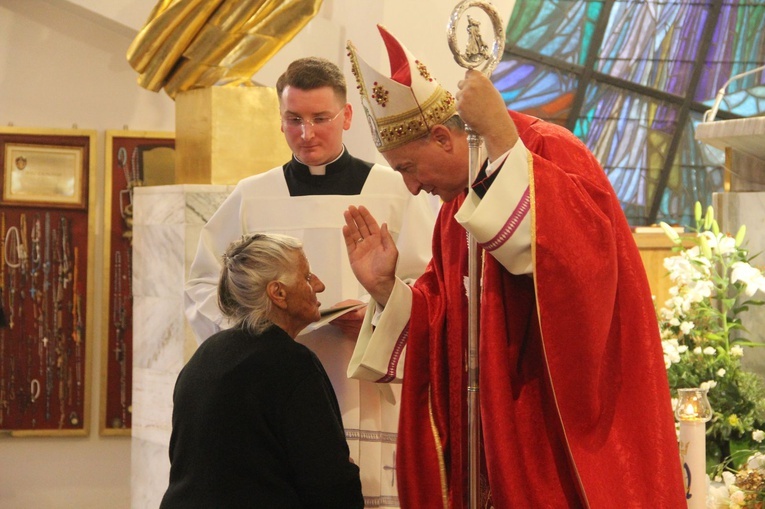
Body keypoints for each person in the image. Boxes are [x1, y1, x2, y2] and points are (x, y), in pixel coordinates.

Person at [342, 25, 687, 508]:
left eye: (408, 168)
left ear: (442, 137)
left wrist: (502, 138)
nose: (412, 188)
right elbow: (446, 321)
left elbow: (583, 273)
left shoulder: (549, 150)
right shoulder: (452, 209)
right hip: (489, 436)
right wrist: (386, 289)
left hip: (549, 428)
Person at [184, 57, 437, 508]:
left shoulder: (394, 190)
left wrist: (379, 315)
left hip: (369, 383)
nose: (306, 133)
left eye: (320, 119)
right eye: (293, 119)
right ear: (280, 121)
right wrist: (254, 338)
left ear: (346, 117)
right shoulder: (251, 195)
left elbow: (430, 283)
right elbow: (205, 286)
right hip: (271, 390)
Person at [161, 233, 363, 508]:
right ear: (278, 293)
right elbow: (331, 484)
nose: (319, 285)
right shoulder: (291, 363)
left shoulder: (204, 355)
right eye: (307, 277)